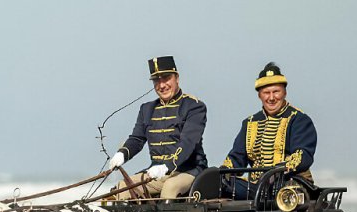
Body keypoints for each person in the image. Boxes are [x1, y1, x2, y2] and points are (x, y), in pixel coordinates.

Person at [106, 56, 208, 199]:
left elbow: (188, 142)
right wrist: (122, 153)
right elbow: (137, 138)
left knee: (170, 188)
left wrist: (167, 166)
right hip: (155, 171)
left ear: (176, 78)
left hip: (189, 171)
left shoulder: (194, 106)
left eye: (166, 78)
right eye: (156, 80)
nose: (162, 85)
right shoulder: (147, 109)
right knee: (121, 189)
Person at [220, 62, 317, 198]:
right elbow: (236, 158)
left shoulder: (299, 119)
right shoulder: (250, 122)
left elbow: (303, 155)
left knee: (286, 192)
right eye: (266, 93)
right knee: (219, 184)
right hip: (256, 187)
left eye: (276, 92)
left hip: (289, 184)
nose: (271, 98)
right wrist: (223, 173)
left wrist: (276, 172)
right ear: (259, 95)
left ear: (284, 92)